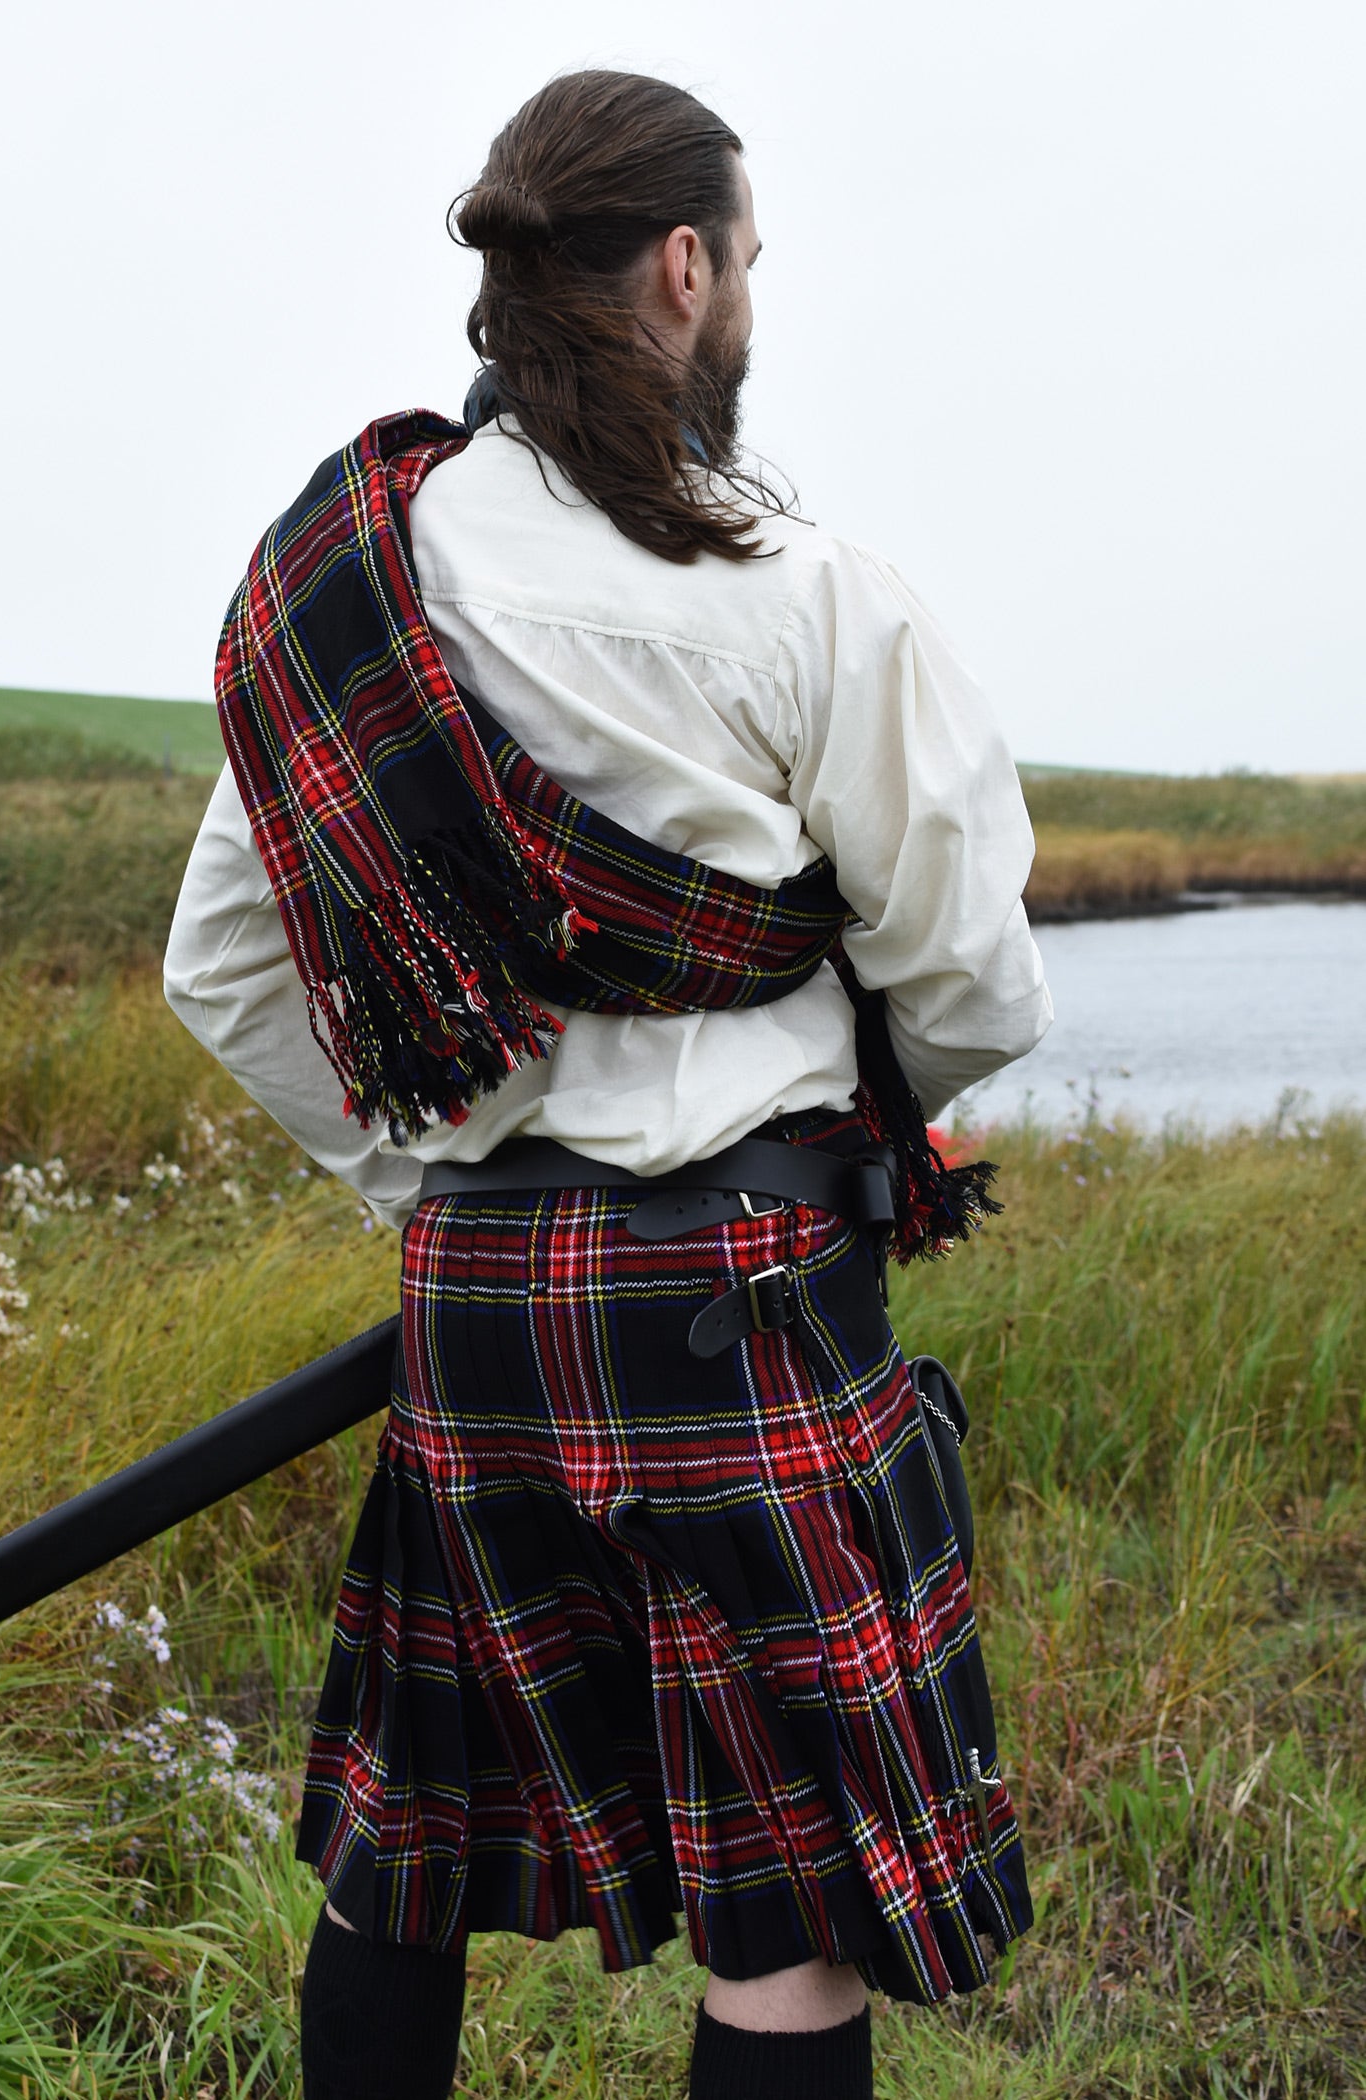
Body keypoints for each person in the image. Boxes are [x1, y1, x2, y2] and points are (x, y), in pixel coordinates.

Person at [164, 68, 1051, 2100]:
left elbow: (226, 963)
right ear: (682, 270)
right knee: (785, 1912)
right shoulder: (813, 593)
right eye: (745, 265)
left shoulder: (353, 583)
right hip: (750, 1288)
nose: (747, 299)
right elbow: (975, 987)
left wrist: (447, 1171)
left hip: (480, 1296)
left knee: (408, 1846)